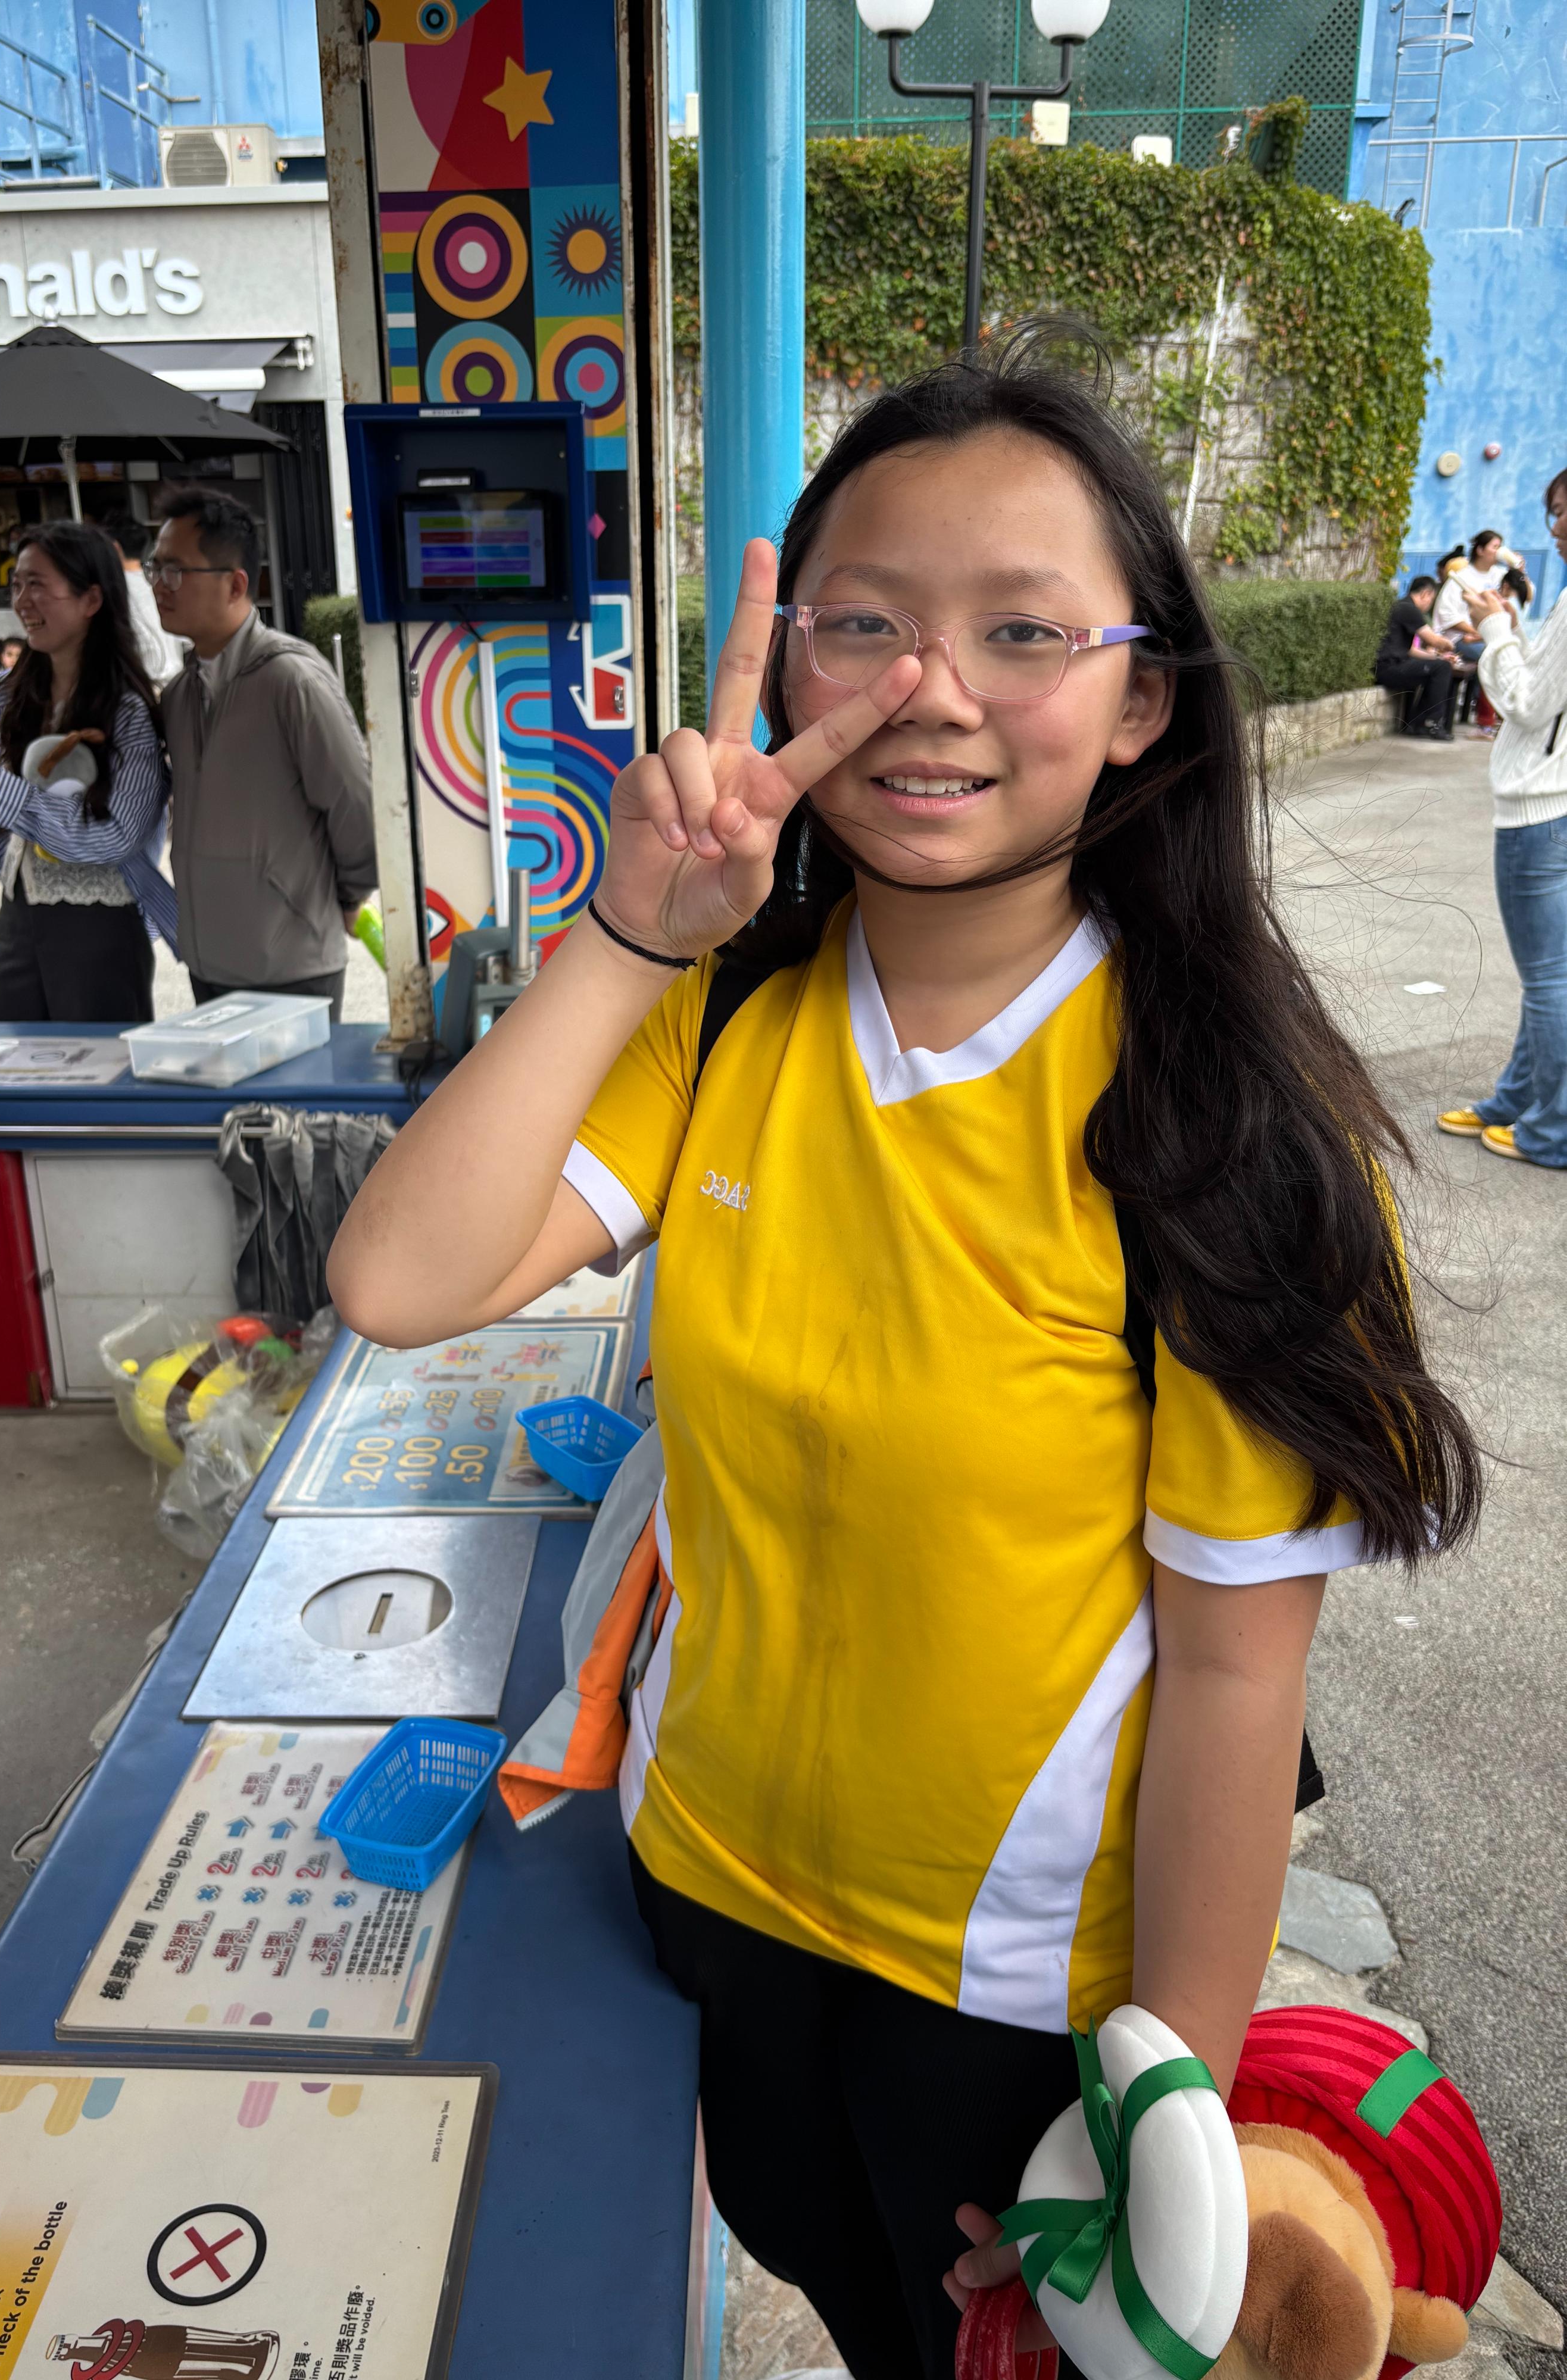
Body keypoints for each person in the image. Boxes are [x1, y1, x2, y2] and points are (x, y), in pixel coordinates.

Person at [325, 327, 1481, 2379]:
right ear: (786, 669)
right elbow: (401, 1280)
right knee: (832, 2278)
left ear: (1139, 699)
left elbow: (1234, 1677)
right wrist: (633, 929)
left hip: (1017, 1991)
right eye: (860, 625)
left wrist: (1159, 2110)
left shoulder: (1224, 1134)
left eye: (1018, 631)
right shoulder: (730, 1017)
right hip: (706, 1885)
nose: (927, 691)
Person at [0, 521, 176, 1023]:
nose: (22, 601)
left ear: (91, 599)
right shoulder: (16, 698)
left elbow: (118, 836)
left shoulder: (128, 711)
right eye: (17, 585)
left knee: (97, 1068)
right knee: (10, 1062)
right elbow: (17, 837)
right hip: (17, 920)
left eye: (38, 585)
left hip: (99, 930)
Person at [151, 489, 375, 1020]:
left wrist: (347, 899)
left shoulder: (291, 680)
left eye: (176, 571)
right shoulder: (179, 695)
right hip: (208, 962)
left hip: (292, 967)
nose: (160, 585)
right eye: (156, 569)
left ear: (236, 584)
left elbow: (357, 807)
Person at [1437, 466, 1567, 1167]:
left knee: (1549, 980)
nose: (1554, 527)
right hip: (1552, 805)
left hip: (1540, 809)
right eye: (1552, 512)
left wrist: (1493, 630)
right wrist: (1509, 631)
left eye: (1563, 510)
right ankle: (1519, 1101)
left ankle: (1553, 1128)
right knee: (1551, 975)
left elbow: (1527, 704)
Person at [104, 510, 188, 689]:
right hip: (177, 685)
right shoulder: (161, 584)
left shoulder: (112, 591)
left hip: (144, 690)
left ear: (114, 548)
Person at [1374, 573, 1456, 738]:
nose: (1430, 604)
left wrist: (1438, 658)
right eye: (1431, 599)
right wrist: (1450, 645)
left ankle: (1418, 723)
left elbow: (1410, 650)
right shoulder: (1409, 609)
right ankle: (1432, 723)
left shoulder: (1402, 606)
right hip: (1389, 668)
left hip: (1389, 667)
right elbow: (1434, 641)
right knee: (1443, 669)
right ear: (1426, 594)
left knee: (1439, 667)